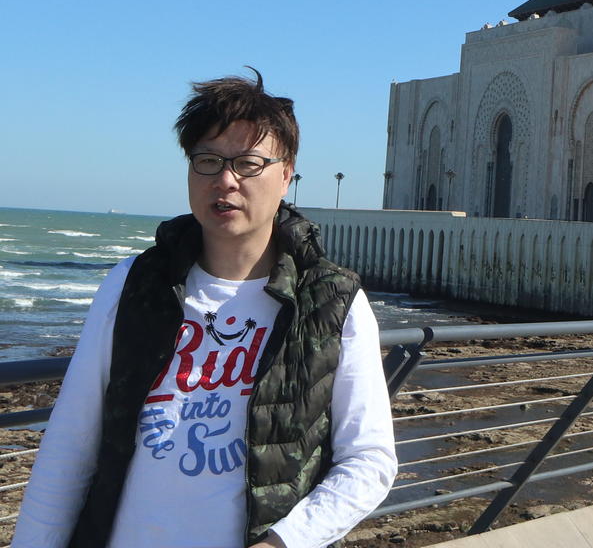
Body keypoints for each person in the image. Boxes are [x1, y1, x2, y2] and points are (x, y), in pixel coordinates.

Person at [13, 70, 397, 548]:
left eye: (249, 164)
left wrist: (285, 542)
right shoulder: (134, 283)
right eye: (208, 161)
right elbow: (70, 443)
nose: (225, 180)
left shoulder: (332, 300)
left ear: (286, 175)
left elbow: (369, 458)